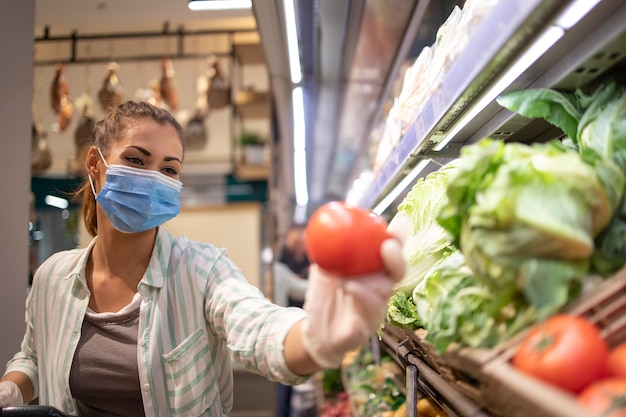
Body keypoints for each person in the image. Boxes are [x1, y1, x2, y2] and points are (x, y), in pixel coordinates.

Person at [0, 100, 405, 416]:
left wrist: (316, 338)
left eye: (169, 170)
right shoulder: (53, 277)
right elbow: (34, 354)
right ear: (96, 164)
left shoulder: (201, 271)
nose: (154, 177)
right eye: (136, 160)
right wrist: (13, 387)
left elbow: (257, 326)